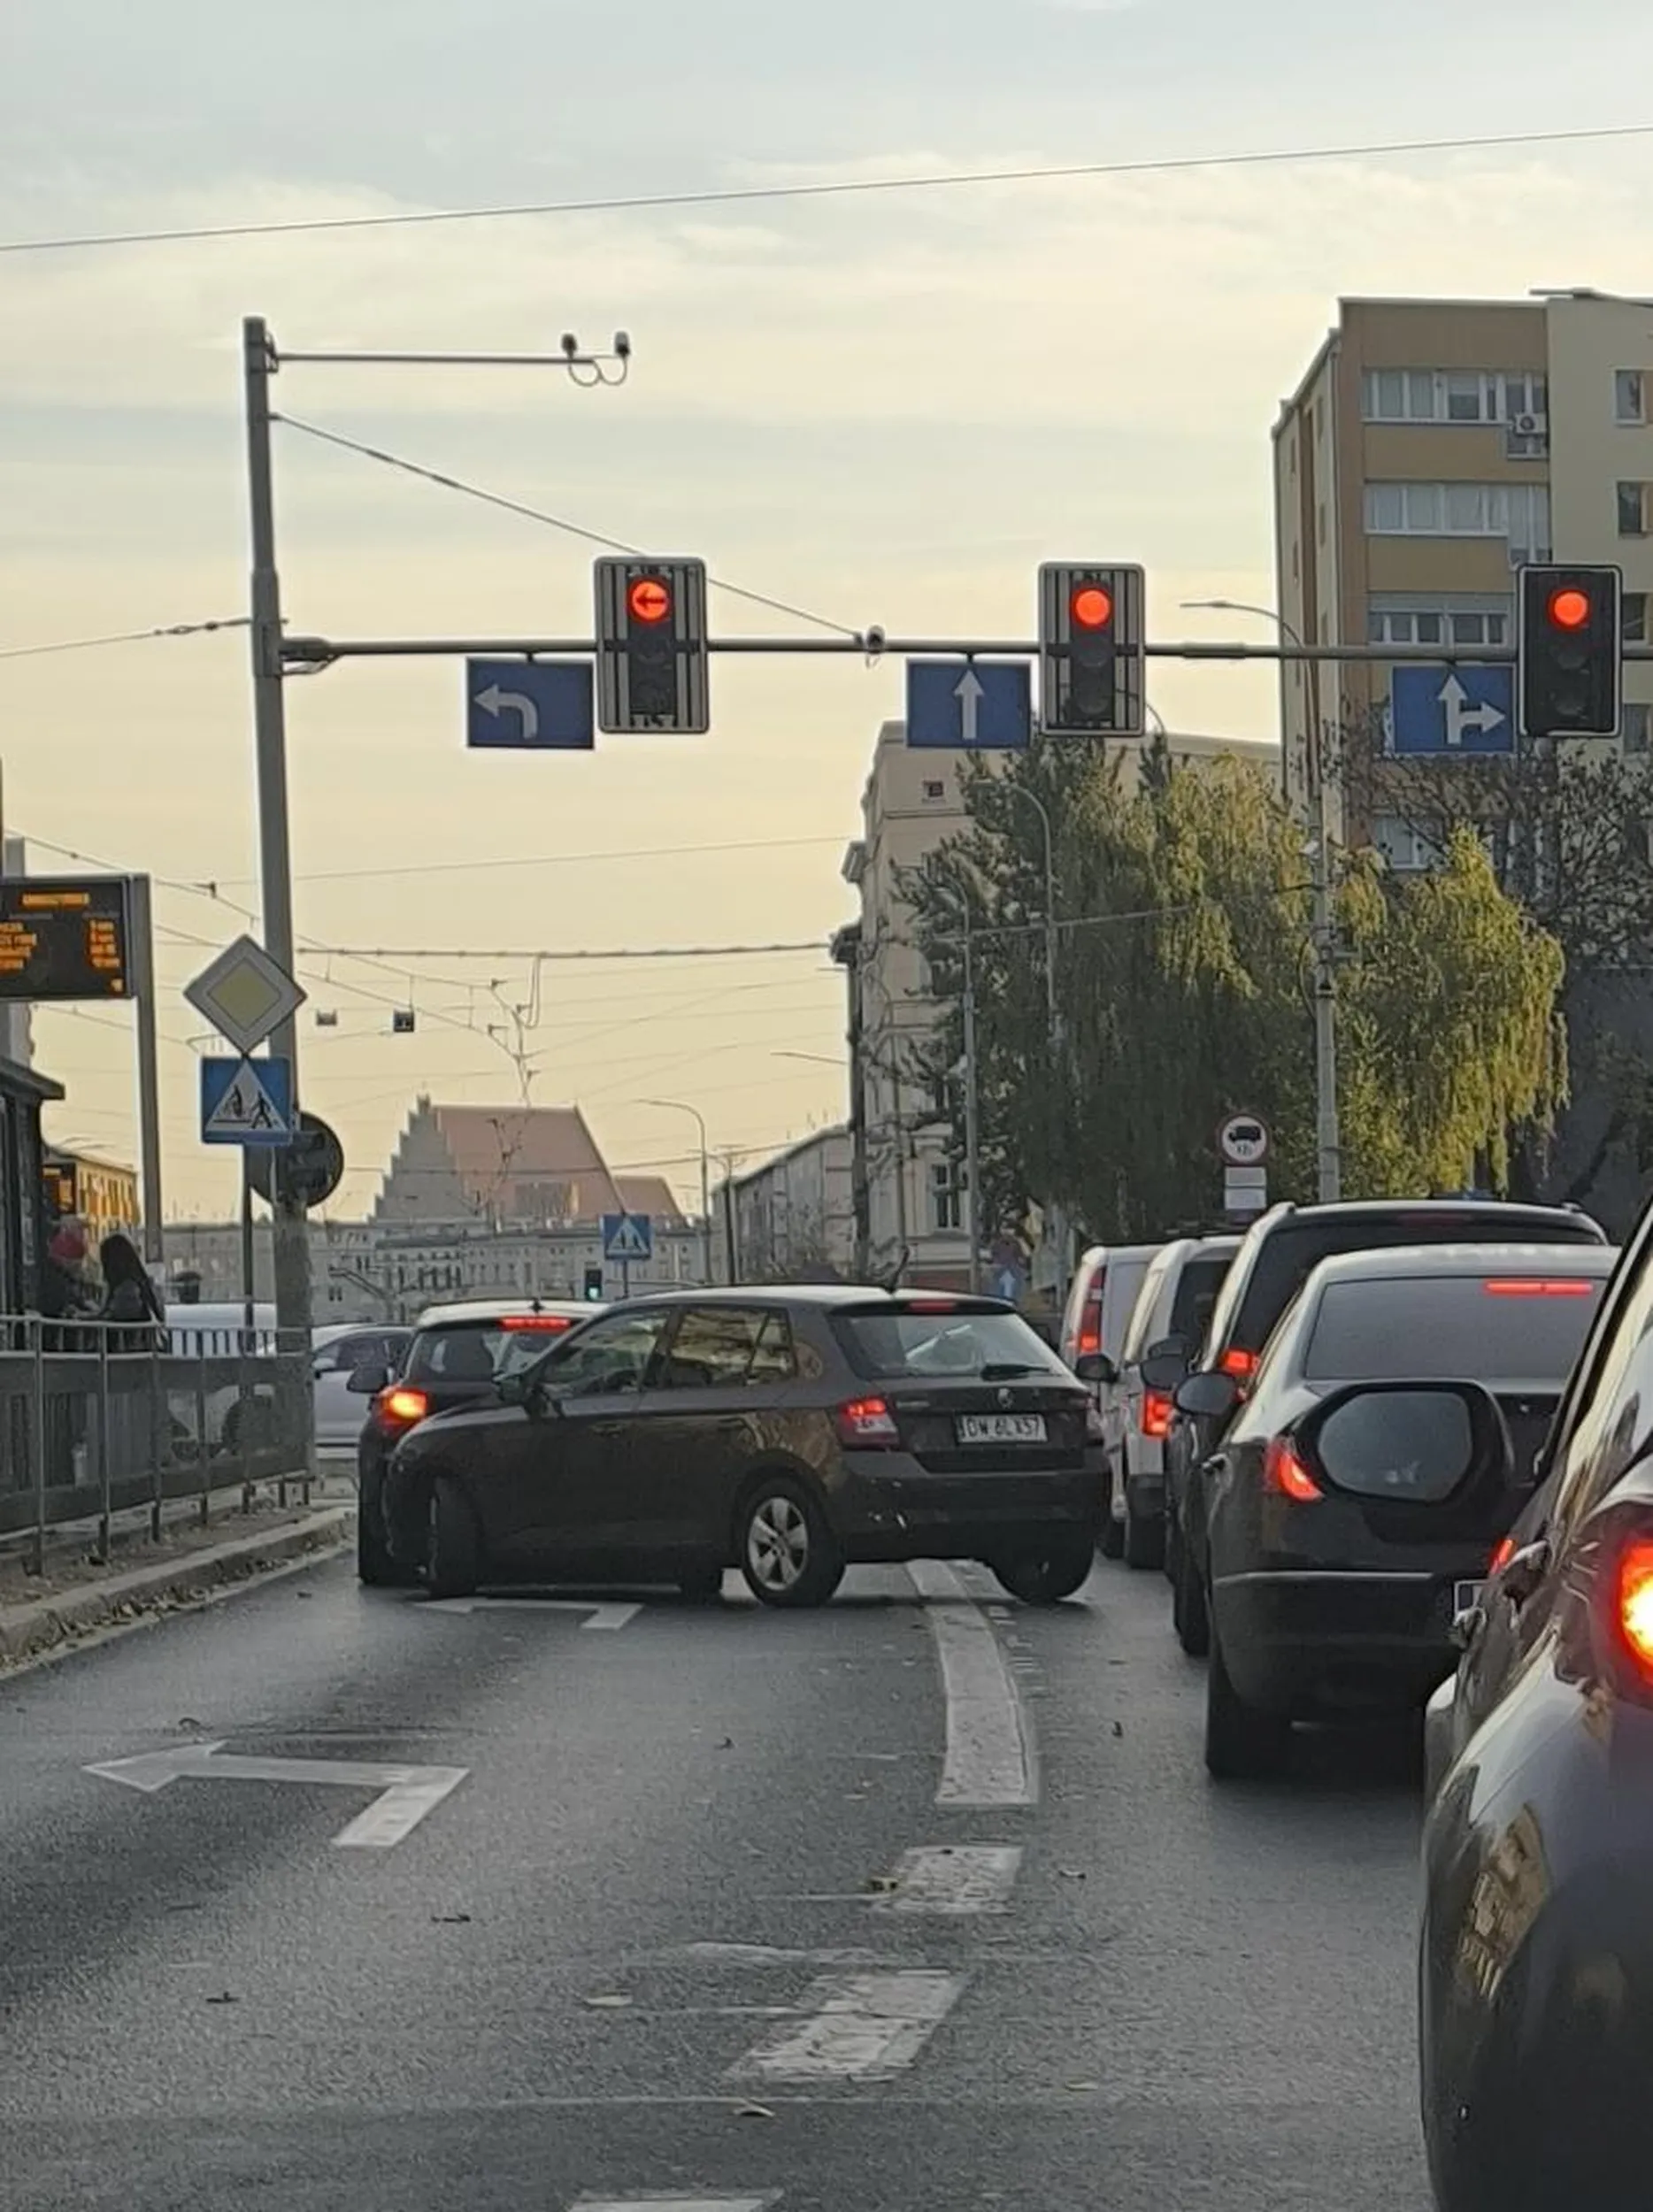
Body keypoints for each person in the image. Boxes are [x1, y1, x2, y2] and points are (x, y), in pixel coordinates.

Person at [97, 1233, 165, 1353]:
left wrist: (91, 1317)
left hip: (129, 1351)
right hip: (143, 1349)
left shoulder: (127, 1289)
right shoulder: (141, 1283)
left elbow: (120, 1317)